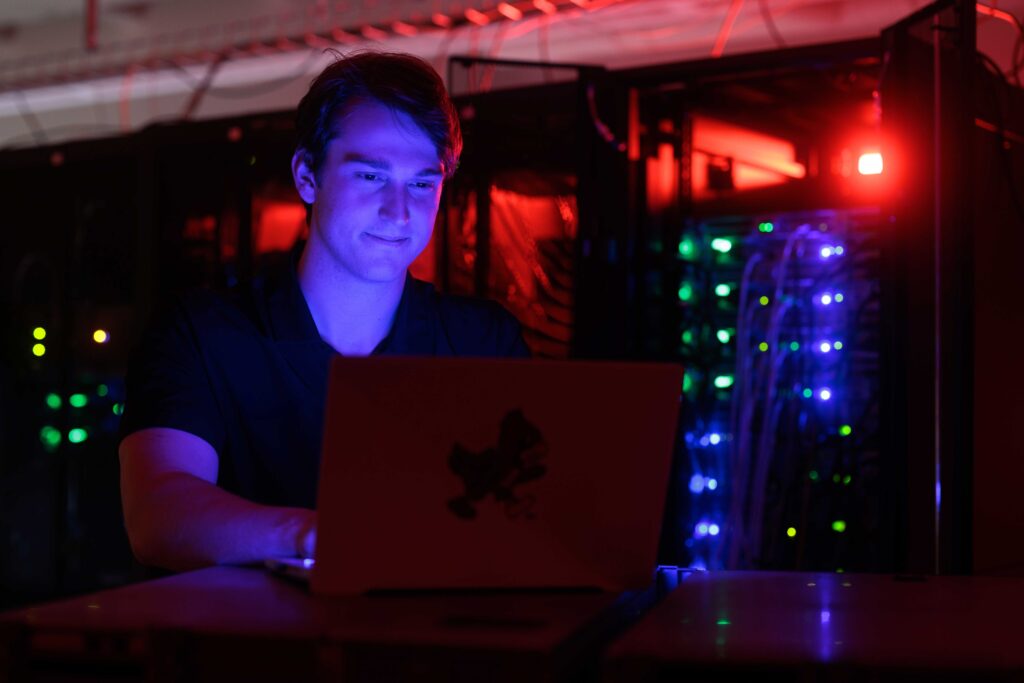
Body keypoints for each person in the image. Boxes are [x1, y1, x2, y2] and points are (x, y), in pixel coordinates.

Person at [118, 51, 530, 572]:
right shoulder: (202, 334)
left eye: (422, 183)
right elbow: (158, 515)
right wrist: (322, 535)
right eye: (371, 177)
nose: (398, 211)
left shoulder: (483, 342)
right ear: (307, 176)